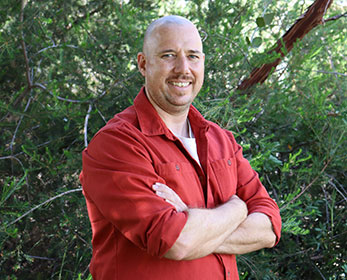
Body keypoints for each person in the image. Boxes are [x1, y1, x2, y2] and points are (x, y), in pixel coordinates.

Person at [80, 15, 281, 280]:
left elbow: (269, 227)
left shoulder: (221, 140)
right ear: (143, 64)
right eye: (168, 55)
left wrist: (192, 222)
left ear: (203, 63)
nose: (183, 68)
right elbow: (176, 242)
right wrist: (237, 208)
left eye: (193, 56)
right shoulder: (117, 144)